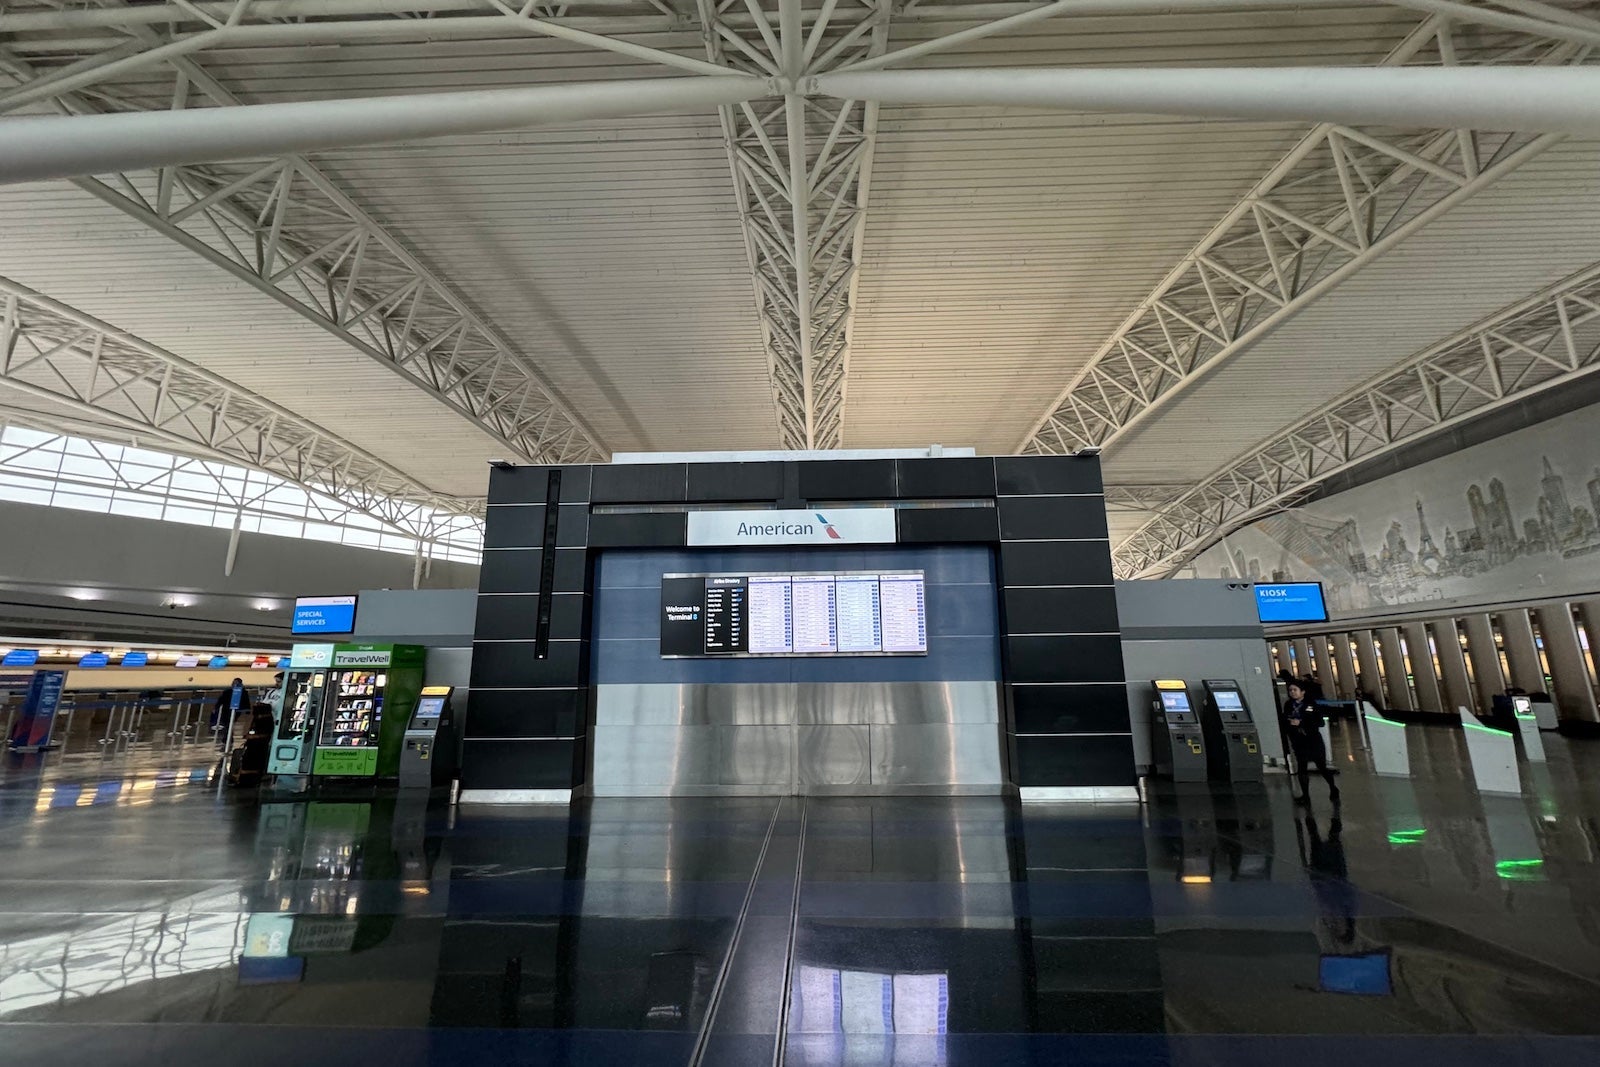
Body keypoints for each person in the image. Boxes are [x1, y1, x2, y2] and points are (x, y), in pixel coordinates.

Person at [1281, 681, 1339, 806]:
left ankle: (1333, 788)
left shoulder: (1311, 705)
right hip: (1298, 740)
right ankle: (1305, 795)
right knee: (1302, 767)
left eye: (1295, 690)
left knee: (1321, 766)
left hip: (1313, 740)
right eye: (1290, 690)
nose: (1292, 692)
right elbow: (1285, 720)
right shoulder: (1288, 705)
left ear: (1302, 692)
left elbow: (1320, 722)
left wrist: (1301, 723)